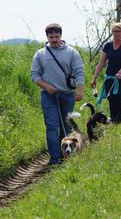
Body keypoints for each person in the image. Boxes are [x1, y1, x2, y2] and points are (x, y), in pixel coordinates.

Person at [31, 23, 84, 165]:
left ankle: (66, 157)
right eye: (51, 36)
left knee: (65, 127)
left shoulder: (72, 52)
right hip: (48, 96)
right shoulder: (40, 54)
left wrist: (80, 91)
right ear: (47, 37)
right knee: (52, 126)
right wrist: (46, 86)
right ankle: (55, 159)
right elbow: (34, 75)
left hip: (67, 94)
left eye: (56, 36)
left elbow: (79, 72)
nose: (54, 39)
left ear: (61, 35)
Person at [91, 22, 121, 124]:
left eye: (119, 31)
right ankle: (114, 124)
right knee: (112, 101)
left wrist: (120, 72)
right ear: (112, 32)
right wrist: (94, 78)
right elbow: (101, 63)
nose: (117, 33)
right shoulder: (108, 46)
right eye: (115, 31)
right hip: (109, 77)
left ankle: (120, 124)